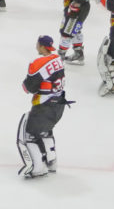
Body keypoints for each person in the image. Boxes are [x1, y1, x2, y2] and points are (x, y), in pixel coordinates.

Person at [18, 35, 68, 179]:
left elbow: (29, 87)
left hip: (44, 106)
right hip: (59, 105)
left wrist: (26, 85)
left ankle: (38, 167)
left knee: (30, 135)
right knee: (46, 131)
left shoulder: (38, 62)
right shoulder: (58, 59)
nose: (36, 46)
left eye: (37, 44)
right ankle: (52, 163)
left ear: (41, 46)